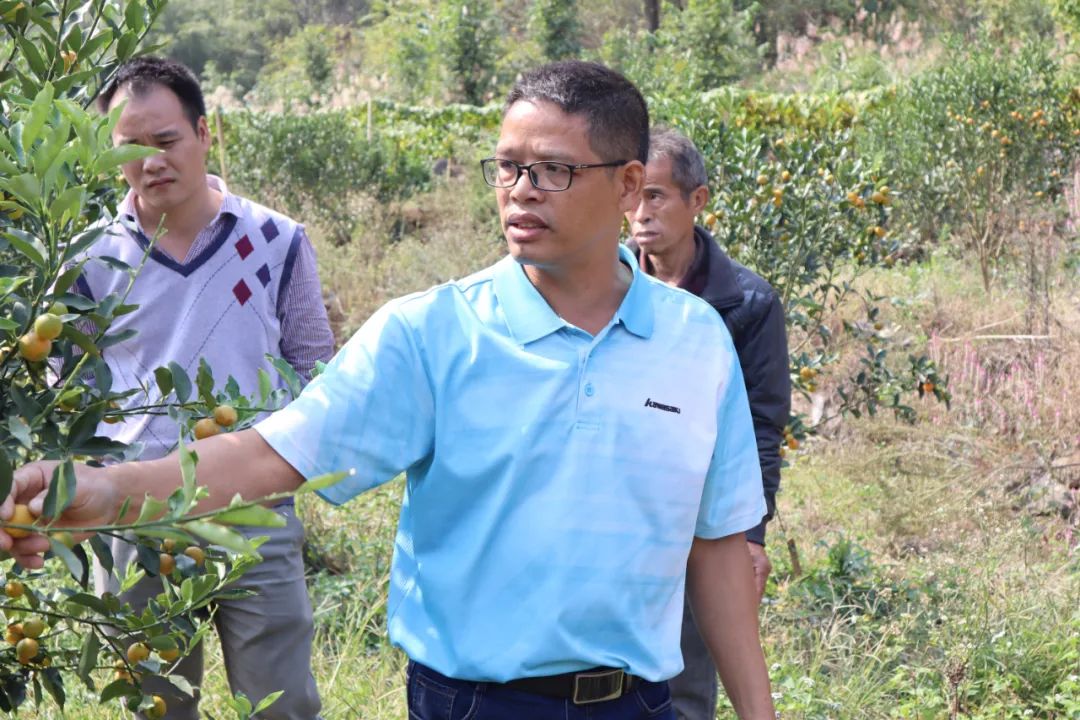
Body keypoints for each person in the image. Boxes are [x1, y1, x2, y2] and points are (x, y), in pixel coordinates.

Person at [3, 61, 777, 720]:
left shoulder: (694, 340)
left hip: (639, 700)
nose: (521, 190)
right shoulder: (431, 333)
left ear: (630, 184)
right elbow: (269, 456)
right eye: (507, 166)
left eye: (554, 170)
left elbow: (716, 546)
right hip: (473, 700)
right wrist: (107, 491)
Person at [76, 56, 333, 719]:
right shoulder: (89, 261)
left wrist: (279, 467)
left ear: (203, 133)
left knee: (283, 704)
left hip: (254, 511)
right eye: (130, 147)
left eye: (166, 141)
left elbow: (314, 368)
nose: (151, 161)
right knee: (156, 706)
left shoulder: (274, 240)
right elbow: (69, 397)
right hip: (137, 517)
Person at [626, 128, 790, 720]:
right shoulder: (610, 290)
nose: (641, 215)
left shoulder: (745, 303)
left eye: (658, 197)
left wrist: (751, 536)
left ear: (697, 202)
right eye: (634, 198)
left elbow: (761, 426)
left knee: (689, 679)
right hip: (627, 511)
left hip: (699, 516)